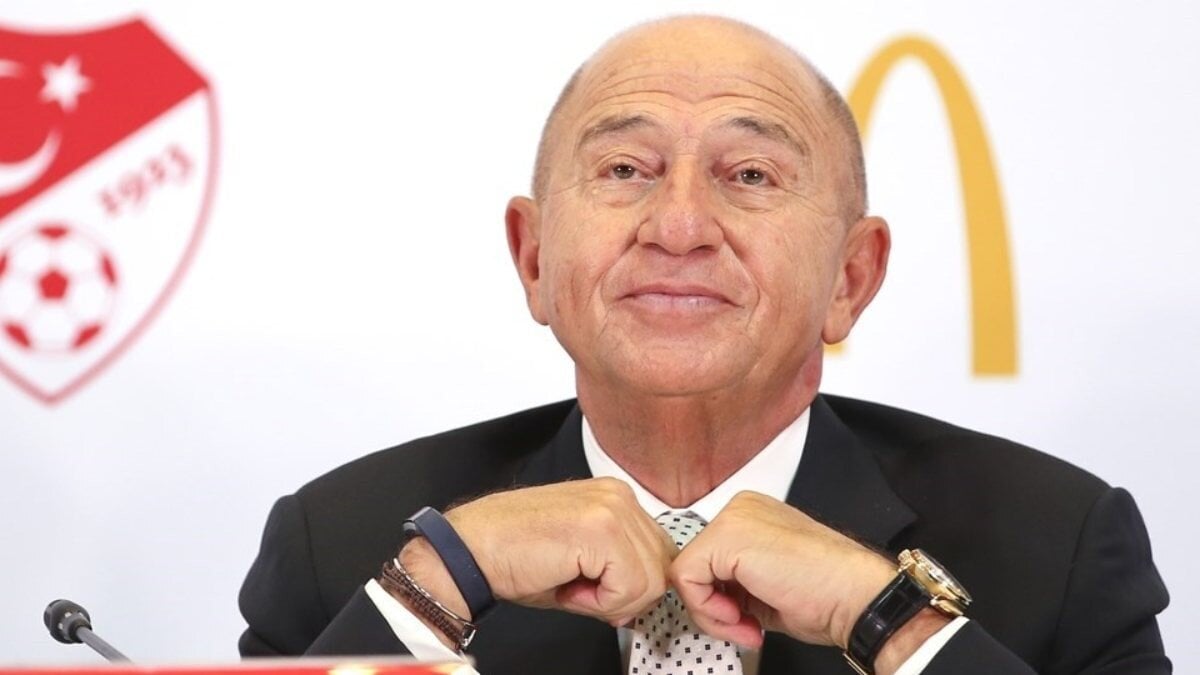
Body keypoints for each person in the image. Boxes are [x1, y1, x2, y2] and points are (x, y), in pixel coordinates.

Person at [238, 15, 1170, 675]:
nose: (679, 225)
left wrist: (887, 618)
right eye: (624, 169)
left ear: (850, 278)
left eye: (751, 174)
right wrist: (438, 585)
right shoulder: (343, 545)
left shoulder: (1058, 546)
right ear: (534, 258)